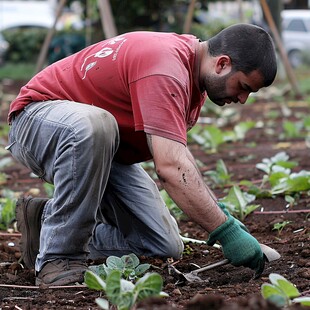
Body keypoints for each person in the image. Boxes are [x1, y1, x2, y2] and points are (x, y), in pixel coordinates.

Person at [7, 23, 277, 287]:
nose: (243, 99)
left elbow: (179, 157)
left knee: (162, 243)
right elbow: (170, 167)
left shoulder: (191, 79)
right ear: (222, 64)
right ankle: (59, 256)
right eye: (243, 87)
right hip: (39, 120)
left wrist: (221, 213)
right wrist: (226, 233)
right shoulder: (166, 67)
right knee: (94, 125)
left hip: (103, 149)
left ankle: (46, 226)